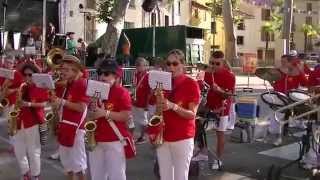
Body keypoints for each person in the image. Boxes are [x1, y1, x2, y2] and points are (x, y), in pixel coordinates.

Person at [155, 49, 200, 180]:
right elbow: (153, 108)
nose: (171, 67)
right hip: (163, 136)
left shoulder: (191, 84)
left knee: (181, 177)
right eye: (168, 64)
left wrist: (173, 106)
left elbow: (192, 114)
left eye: (175, 64)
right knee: (165, 177)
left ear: (183, 65)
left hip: (182, 138)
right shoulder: (162, 83)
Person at [88, 59, 132, 180]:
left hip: (115, 141)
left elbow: (125, 116)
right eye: (100, 73)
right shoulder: (95, 91)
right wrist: (92, 109)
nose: (102, 76)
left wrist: (104, 113)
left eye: (106, 74)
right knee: (97, 177)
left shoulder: (122, 92)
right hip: (96, 140)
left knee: (116, 176)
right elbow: (90, 116)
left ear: (116, 76)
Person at [51, 55, 89, 180]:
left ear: (76, 70)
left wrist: (61, 102)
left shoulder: (82, 83)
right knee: (67, 164)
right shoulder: (69, 83)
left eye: (67, 70)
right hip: (66, 125)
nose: (63, 72)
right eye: (63, 69)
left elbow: (81, 107)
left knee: (78, 165)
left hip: (76, 129)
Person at [13, 63, 49, 180]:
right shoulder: (22, 87)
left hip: (33, 122)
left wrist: (28, 104)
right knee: (18, 149)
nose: (27, 77)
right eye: (25, 75)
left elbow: (44, 104)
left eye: (30, 75)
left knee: (33, 151)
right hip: (19, 121)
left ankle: (35, 176)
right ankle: (25, 172)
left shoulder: (39, 87)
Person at [203, 51, 235, 170]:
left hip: (222, 108)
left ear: (222, 63)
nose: (213, 66)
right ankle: (202, 153)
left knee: (220, 134)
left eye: (217, 63)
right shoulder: (207, 73)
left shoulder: (229, 76)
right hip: (207, 106)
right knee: (199, 130)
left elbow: (229, 95)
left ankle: (219, 159)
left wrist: (219, 90)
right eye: (211, 63)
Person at [132, 57, 149, 144]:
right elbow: (134, 87)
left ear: (145, 66)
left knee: (143, 120)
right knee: (135, 119)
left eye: (140, 65)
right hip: (135, 101)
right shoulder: (136, 75)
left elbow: (149, 92)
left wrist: (147, 104)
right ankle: (136, 136)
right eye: (137, 65)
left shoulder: (148, 76)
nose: (138, 67)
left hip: (143, 102)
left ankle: (143, 137)